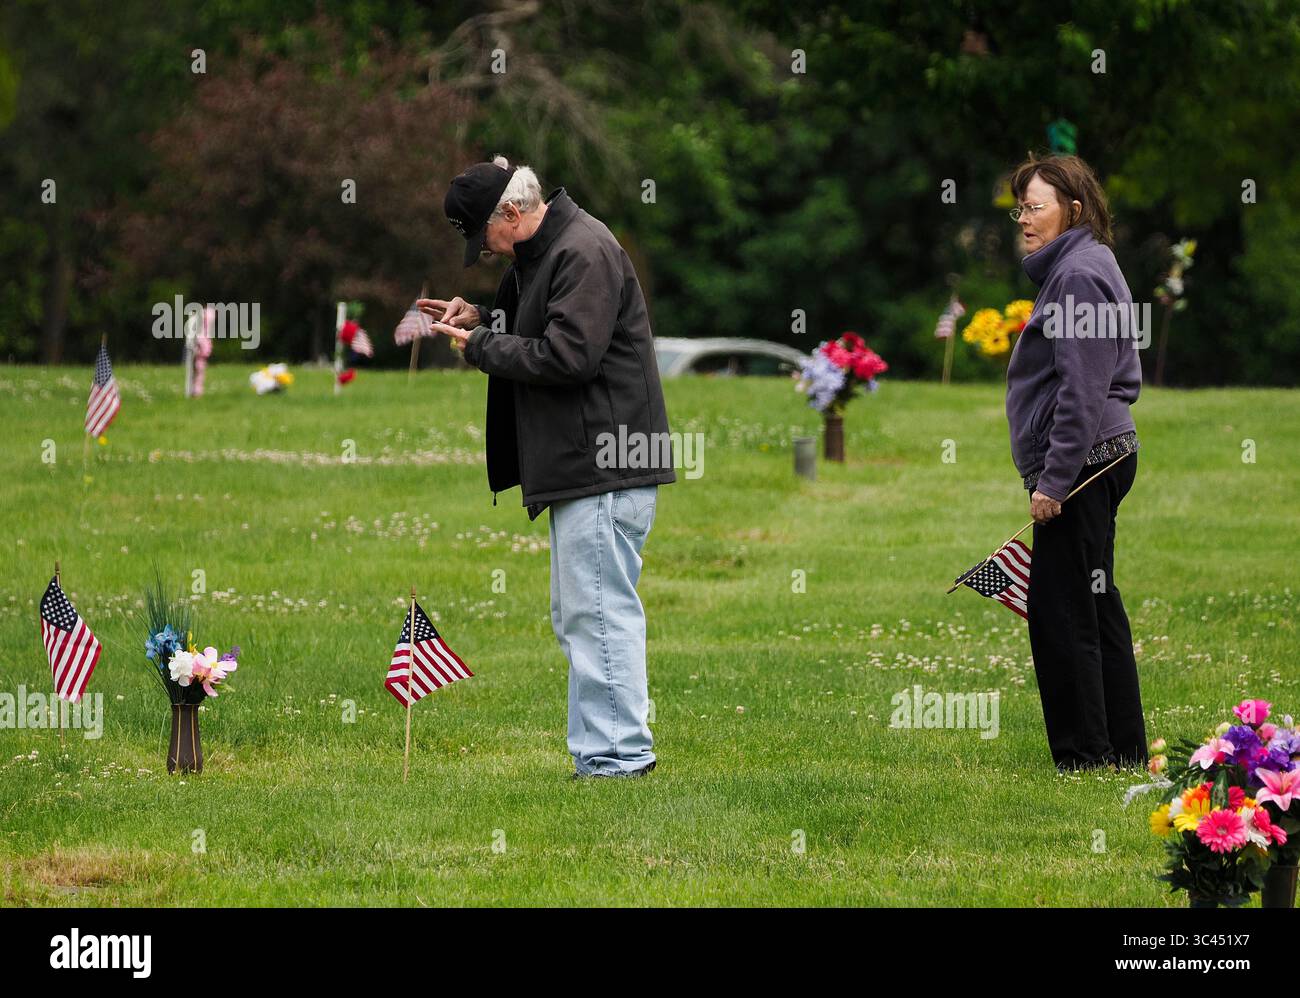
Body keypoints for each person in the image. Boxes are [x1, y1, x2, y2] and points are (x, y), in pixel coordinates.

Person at [419, 156, 675, 779]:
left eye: (484, 237)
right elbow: (544, 325)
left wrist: (480, 347)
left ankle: (621, 759)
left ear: (510, 212)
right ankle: (600, 755)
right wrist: (482, 319)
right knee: (580, 613)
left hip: (606, 464)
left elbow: (568, 357)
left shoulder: (581, 250)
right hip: (589, 465)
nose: (485, 251)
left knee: (599, 612)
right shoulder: (549, 251)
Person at [1005, 153, 1147, 772]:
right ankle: (1122, 747)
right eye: (1021, 209)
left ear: (1075, 210)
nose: (1024, 220)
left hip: (1085, 462)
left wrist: (1056, 480)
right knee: (1094, 600)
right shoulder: (1088, 263)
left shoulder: (1078, 275)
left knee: (1061, 611)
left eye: (1036, 207)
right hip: (1099, 457)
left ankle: (1086, 756)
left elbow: (1082, 389)